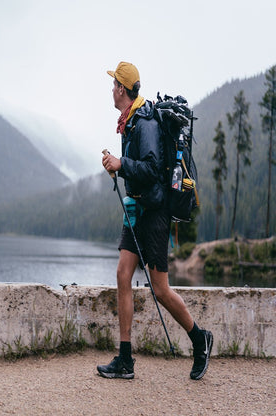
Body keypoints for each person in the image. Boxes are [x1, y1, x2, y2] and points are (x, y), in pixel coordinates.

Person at [98, 61, 213, 380]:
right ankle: (125, 360)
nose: (111, 90)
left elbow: (151, 168)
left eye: (113, 85)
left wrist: (122, 164)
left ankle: (200, 339)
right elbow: (137, 167)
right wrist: (119, 166)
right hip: (137, 208)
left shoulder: (145, 121)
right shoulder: (130, 121)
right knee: (123, 274)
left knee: (160, 289)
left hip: (155, 213)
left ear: (122, 88)